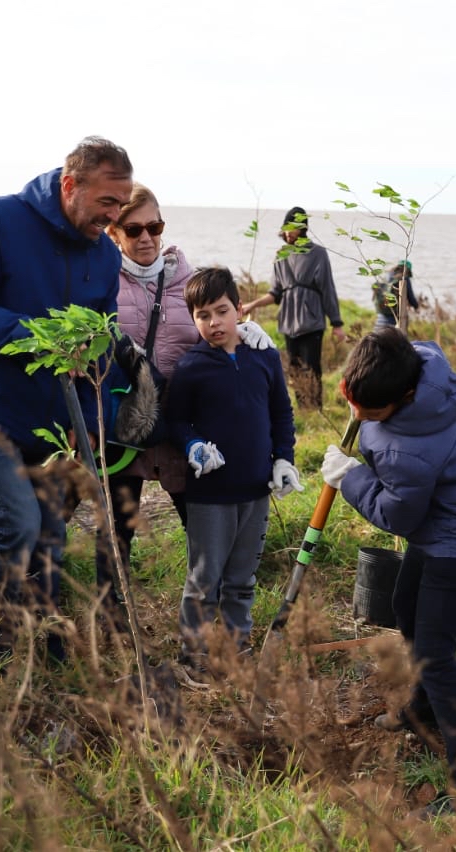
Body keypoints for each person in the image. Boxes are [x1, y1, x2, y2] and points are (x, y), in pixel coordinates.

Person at [0, 136, 134, 661]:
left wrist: (91, 418)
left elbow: (100, 344)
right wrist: (39, 337)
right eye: (106, 203)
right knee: (15, 526)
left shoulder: (106, 256)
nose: (113, 217)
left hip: (50, 421)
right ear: (70, 185)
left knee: (49, 534)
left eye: (122, 205)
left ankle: (50, 653)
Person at [321, 327, 456, 817]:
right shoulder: (416, 359)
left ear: (402, 400)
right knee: (404, 604)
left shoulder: (410, 450)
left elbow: (399, 516)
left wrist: (351, 475)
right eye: (352, 401)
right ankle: (423, 711)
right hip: (443, 522)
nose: (358, 416)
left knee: (435, 653)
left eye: (371, 412)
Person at [96, 185, 276, 609]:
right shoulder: (100, 283)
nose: (146, 237)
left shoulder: (186, 280)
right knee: (116, 530)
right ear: (114, 232)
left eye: (154, 226)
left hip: (183, 428)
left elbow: (215, 320)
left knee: (204, 528)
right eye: (133, 228)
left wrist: (244, 334)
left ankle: (211, 615)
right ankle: (109, 624)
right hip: (125, 426)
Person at [164, 266, 300, 662]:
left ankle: (237, 646)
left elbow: (282, 414)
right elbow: (175, 421)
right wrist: (192, 446)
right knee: (204, 580)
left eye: (221, 311)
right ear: (193, 319)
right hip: (210, 495)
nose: (213, 322)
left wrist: (283, 460)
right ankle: (194, 652)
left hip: (256, 490)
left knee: (241, 579)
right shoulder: (192, 366)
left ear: (239, 308)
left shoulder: (265, 357)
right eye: (202, 315)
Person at [240, 207, 344, 411]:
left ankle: (316, 410)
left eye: (292, 228)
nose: (288, 233)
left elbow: (328, 288)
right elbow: (275, 293)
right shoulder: (281, 255)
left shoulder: (318, 253)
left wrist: (337, 323)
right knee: (294, 369)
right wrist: (252, 305)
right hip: (288, 322)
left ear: (302, 228)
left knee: (312, 368)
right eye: (285, 229)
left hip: (311, 321)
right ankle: (303, 409)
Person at [372, 259, 419, 328]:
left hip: (380, 316)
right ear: (407, 271)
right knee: (395, 337)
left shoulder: (386, 275)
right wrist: (416, 307)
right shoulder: (404, 278)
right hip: (394, 319)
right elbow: (411, 299)